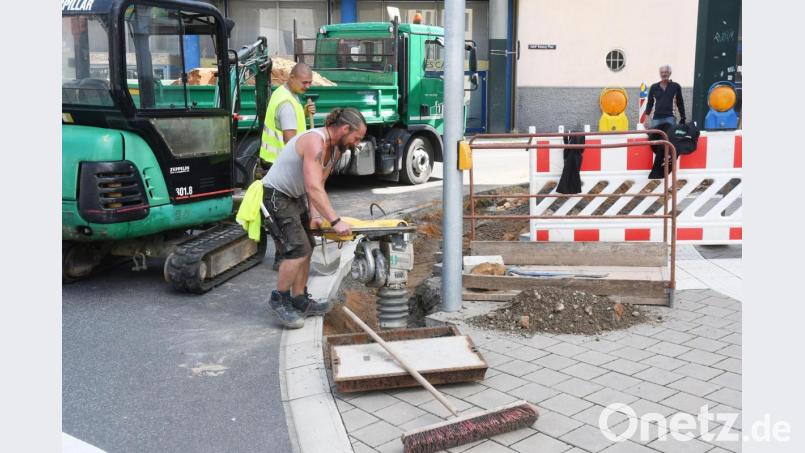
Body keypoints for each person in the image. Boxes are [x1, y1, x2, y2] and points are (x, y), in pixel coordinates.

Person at [262, 108, 366, 328]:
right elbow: (311, 186)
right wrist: (336, 221)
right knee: (297, 249)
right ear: (345, 128)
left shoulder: (335, 150)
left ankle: (299, 299)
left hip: (295, 195)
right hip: (276, 195)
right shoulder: (314, 142)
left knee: (309, 245)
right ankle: (279, 298)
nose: (357, 143)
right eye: (356, 138)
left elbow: (319, 184)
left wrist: (317, 215)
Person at [260, 62, 317, 270]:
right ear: (291, 77)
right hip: (281, 171)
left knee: (286, 215)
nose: (308, 86)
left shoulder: (283, 95)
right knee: (287, 216)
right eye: (304, 82)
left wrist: (302, 110)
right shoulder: (286, 104)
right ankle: (285, 259)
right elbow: (291, 142)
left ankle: (286, 255)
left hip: (274, 166)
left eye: (310, 83)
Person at [643, 64, 686, 129]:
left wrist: (683, 117)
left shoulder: (676, 86)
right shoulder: (653, 87)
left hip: (670, 118)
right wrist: (646, 119)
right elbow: (649, 104)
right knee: (655, 138)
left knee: (669, 138)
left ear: (670, 73)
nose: (664, 74)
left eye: (666, 72)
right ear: (660, 74)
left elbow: (680, 103)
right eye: (662, 72)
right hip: (656, 118)